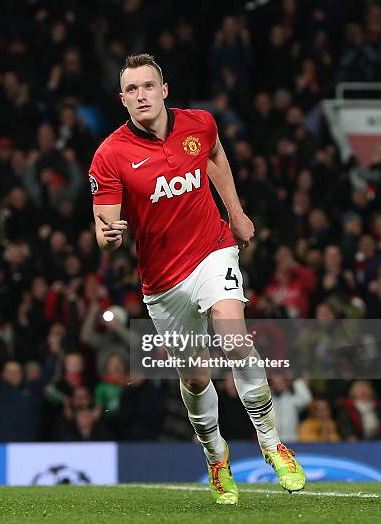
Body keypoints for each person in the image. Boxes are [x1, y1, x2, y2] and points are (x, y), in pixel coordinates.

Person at [89, 53, 305, 504]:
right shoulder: (110, 154)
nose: (141, 95)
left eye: (148, 86)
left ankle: (271, 443)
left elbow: (215, 157)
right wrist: (109, 236)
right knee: (194, 376)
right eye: (132, 89)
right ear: (122, 99)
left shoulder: (200, 124)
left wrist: (237, 212)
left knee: (233, 337)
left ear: (164, 90)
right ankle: (215, 454)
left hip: (213, 249)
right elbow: (105, 231)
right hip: (163, 280)